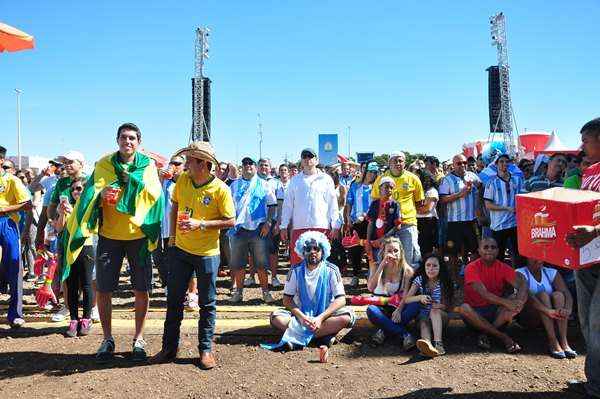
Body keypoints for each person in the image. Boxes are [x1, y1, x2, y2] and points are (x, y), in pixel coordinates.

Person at [60, 123, 164, 362]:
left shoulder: (147, 165)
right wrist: (102, 194)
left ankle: (139, 339)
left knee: (142, 289)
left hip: (137, 236)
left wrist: (132, 184)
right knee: (104, 289)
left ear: (139, 142)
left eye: (132, 138)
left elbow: (155, 195)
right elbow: (88, 196)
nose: (127, 141)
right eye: (123, 137)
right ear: (117, 140)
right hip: (109, 236)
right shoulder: (104, 164)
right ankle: (107, 338)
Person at [150, 141, 235, 370]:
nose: (185, 164)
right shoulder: (183, 181)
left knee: (207, 304)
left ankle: (205, 350)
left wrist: (202, 224)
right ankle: (169, 348)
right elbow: (175, 205)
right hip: (180, 251)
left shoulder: (220, 189)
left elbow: (230, 220)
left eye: (190, 160)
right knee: (174, 301)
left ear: (203, 164)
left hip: (207, 254)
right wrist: (174, 239)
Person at [266, 231, 355, 354]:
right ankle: (321, 337)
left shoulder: (332, 270)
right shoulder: (295, 271)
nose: (312, 252)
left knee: (347, 317)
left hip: (324, 317)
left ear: (323, 251)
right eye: (308, 249)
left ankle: (298, 338)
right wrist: (302, 318)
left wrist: (320, 318)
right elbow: (287, 300)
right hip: (301, 318)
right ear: (303, 252)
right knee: (275, 317)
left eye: (316, 248)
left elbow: (341, 299)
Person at [565, 118, 600, 398]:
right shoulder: (590, 172)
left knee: (598, 322)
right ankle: (594, 380)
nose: (581, 146)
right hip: (586, 259)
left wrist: (596, 231)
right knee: (587, 321)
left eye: (586, 140)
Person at [457, 238, 528, 353]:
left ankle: (485, 334)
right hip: (475, 313)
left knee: (516, 298)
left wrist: (518, 303)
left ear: (498, 251)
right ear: (479, 251)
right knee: (464, 308)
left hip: (496, 312)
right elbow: (483, 293)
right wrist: (507, 303)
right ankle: (503, 337)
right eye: (486, 247)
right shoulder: (471, 267)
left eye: (493, 247)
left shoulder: (502, 266)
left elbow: (522, 282)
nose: (489, 250)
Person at [228, 157, 277, 304]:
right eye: (245, 164)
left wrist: (268, 222)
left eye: (251, 163)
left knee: (261, 264)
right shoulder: (234, 185)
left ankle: (265, 292)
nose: (248, 166)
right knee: (238, 264)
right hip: (239, 229)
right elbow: (228, 206)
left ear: (255, 167)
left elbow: (272, 204)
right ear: (241, 167)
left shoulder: (263, 184)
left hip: (258, 229)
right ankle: (239, 293)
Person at [280, 148, 341, 265]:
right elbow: (287, 205)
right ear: (301, 161)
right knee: (299, 264)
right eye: (304, 156)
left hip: (321, 228)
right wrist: (283, 226)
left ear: (316, 160)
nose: (307, 159)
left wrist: (335, 226)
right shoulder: (294, 180)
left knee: (322, 264)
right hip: (299, 228)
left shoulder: (326, 179)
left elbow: (333, 204)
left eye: (310, 156)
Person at [46, 150, 87, 323]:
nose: (67, 165)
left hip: (86, 234)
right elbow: (51, 206)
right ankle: (68, 307)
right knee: (65, 271)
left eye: (70, 162)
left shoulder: (90, 180)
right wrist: (53, 220)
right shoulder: (61, 183)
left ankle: (91, 308)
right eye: (65, 162)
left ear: (81, 163)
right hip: (64, 234)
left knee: (89, 275)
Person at [53, 176, 95, 337]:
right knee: (70, 285)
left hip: (85, 247)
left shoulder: (89, 205)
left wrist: (74, 212)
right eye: (73, 189)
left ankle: (86, 318)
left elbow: (90, 226)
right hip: (69, 249)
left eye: (79, 188)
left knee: (86, 284)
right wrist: (62, 213)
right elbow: (59, 229)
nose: (75, 192)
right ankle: (73, 319)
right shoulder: (67, 206)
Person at [371, 151, 425, 269]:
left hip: (407, 223)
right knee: (387, 258)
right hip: (387, 226)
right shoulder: (381, 179)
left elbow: (419, 202)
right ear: (389, 163)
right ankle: (389, 285)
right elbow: (375, 200)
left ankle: (410, 285)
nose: (397, 163)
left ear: (405, 163)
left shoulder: (413, 178)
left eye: (400, 160)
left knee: (409, 258)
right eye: (394, 160)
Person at [516, 258, 576, 359]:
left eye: (539, 256)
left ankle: (564, 341)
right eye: (533, 257)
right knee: (543, 295)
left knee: (559, 295)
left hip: (552, 315)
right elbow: (530, 298)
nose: (537, 260)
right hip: (530, 315)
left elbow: (566, 293)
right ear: (526, 257)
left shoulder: (551, 272)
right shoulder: (519, 273)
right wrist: (548, 311)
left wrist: (567, 310)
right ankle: (552, 340)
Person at [366, 237, 417, 350]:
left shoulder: (407, 270)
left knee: (415, 305)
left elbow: (406, 296)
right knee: (371, 310)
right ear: (383, 252)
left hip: (398, 307)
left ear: (401, 252)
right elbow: (371, 288)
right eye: (389, 251)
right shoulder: (376, 265)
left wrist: (399, 310)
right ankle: (404, 334)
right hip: (381, 307)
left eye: (396, 251)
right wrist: (382, 265)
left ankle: (384, 330)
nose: (393, 254)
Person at [0, 145, 32, 328]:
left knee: (14, 265)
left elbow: (28, 204)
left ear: (1, 160)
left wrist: (5, 209)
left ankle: (15, 314)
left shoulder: (12, 180)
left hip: (8, 224)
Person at [439, 154, 481, 280]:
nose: (462, 165)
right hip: (454, 222)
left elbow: (481, 186)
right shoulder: (447, 180)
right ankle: (454, 279)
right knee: (453, 253)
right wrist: (460, 194)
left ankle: (472, 275)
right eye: (459, 163)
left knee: (474, 249)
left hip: (470, 220)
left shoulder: (472, 176)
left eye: (464, 163)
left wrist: (478, 203)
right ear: (453, 165)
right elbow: (442, 199)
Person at [404, 254, 454, 357]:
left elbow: (449, 307)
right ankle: (427, 345)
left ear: (440, 267)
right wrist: (420, 297)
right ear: (424, 266)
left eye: (435, 266)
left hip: (440, 318)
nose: (431, 269)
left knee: (434, 311)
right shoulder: (419, 280)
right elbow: (407, 299)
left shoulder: (443, 282)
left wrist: (438, 305)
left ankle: (438, 344)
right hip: (424, 316)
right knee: (423, 320)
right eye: (428, 265)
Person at [483, 154, 523, 265]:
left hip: (515, 224)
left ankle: (518, 278)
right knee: (498, 256)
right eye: (501, 161)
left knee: (518, 254)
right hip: (498, 226)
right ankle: (499, 279)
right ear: (496, 164)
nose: (504, 164)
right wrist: (505, 208)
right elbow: (488, 205)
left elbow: (523, 197)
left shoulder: (517, 180)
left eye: (507, 161)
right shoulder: (492, 182)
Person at [345, 162, 378, 287]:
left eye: (375, 172)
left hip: (372, 222)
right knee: (355, 249)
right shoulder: (355, 186)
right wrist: (348, 218)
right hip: (357, 222)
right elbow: (349, 203)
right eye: (370, 172)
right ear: (365, 172)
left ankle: (371, 273)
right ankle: (355, 275)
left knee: (371, 247)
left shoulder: (377, 186)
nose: (372, 175)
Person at [365, 177, 402, 274]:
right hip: (374, 242)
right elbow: (371, 223)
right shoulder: (374, 204)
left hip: (388, 243)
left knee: (388, 268)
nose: (388, 190)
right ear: (380, 188)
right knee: (374, 268)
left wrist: (382, 239)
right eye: (386, 187)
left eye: (391, 187)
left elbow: (397, 226)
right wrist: (368, 241)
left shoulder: (395, 205)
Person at [415, 169, 439, 256]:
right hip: (418, 221)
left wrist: (410, 208)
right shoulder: (419, 191)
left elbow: (427, 208)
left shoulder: (431, 191)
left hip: (428, 222)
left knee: (426, 248)